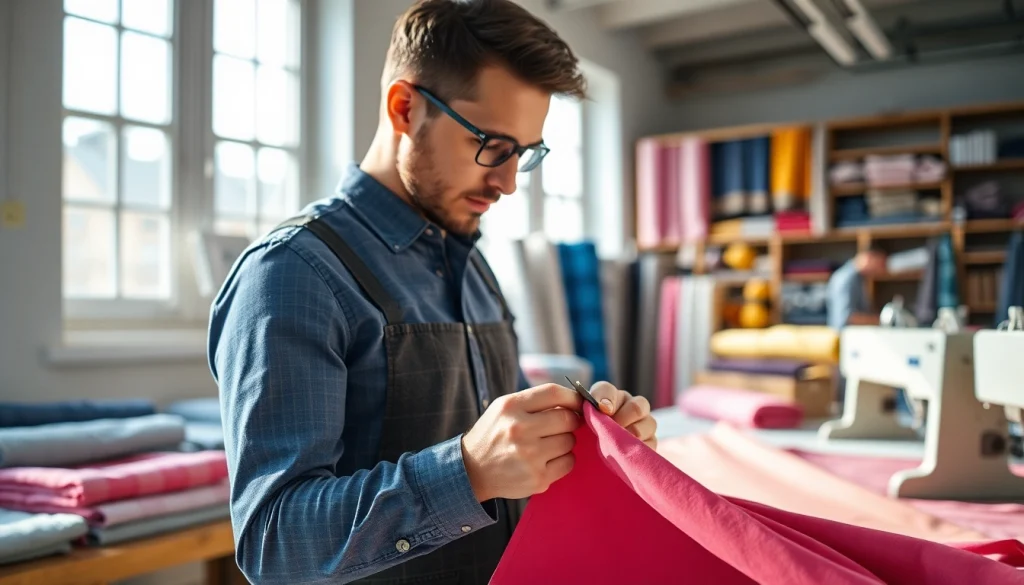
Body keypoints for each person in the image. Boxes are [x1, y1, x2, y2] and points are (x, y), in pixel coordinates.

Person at [207, 1, 658, 584]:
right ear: (404, 107)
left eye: (524, 154)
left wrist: (583, 442)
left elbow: (509, 460)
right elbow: (274, 544)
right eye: (491, 144)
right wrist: (467, 471)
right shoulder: (292, 275)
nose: (507, 182)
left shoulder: (475, 268)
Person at [826, 249, 888, 330]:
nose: (881, 270)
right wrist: (879, 320)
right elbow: (846, 317)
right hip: (845, 334)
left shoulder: (858, 278)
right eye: (880, 265)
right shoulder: (847, 279)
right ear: (868, 258)